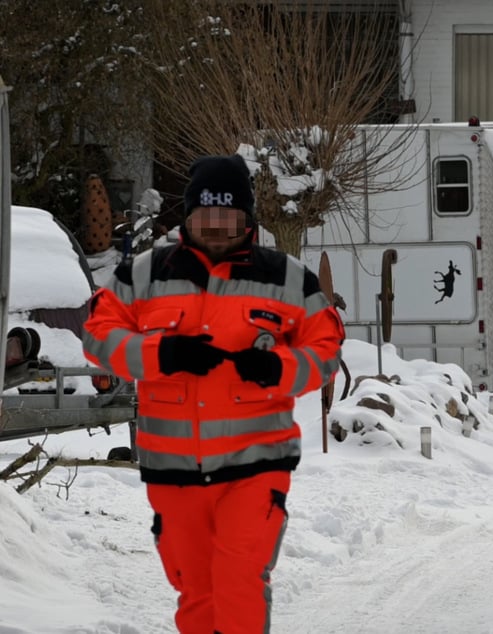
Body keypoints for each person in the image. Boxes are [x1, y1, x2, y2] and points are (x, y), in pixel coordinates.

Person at [82, 154, 344, 633]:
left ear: (248, 220)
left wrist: (280, 367)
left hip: (255, 466)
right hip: (172, 470)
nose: (218, 227)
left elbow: (326, 347)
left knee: (239, 577)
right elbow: (99, 334)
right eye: (207, 217)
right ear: (188, 218)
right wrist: (161, 355)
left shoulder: (287, 278)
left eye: (230, 217)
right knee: (196, 590)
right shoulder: (144, 274)